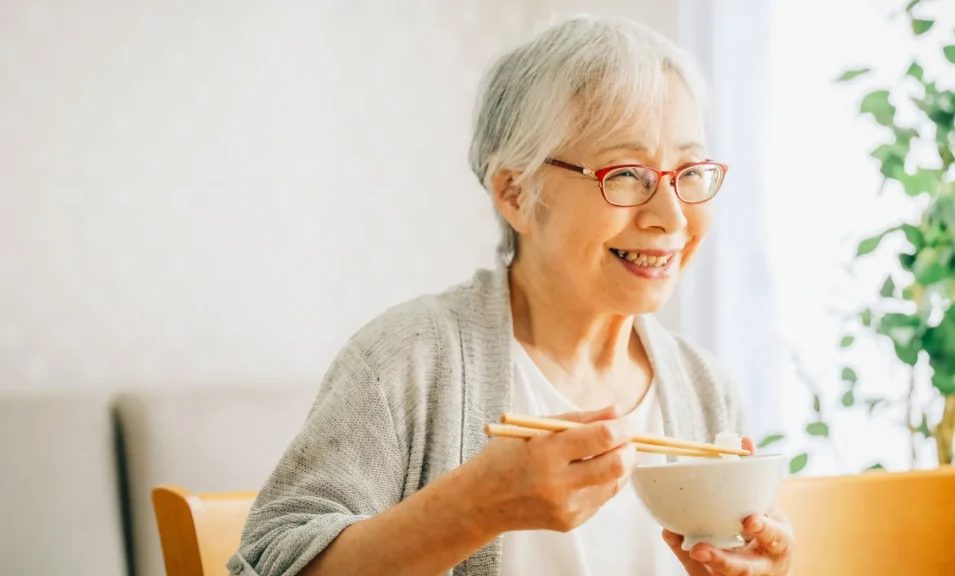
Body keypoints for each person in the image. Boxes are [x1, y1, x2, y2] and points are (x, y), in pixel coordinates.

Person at [227, 14, 795, 576]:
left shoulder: (703, 387)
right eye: (625, 173)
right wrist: (472, 509)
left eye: (690, 171)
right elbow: (268, 564)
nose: (671, 216)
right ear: (516, 193)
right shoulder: (406, 363)